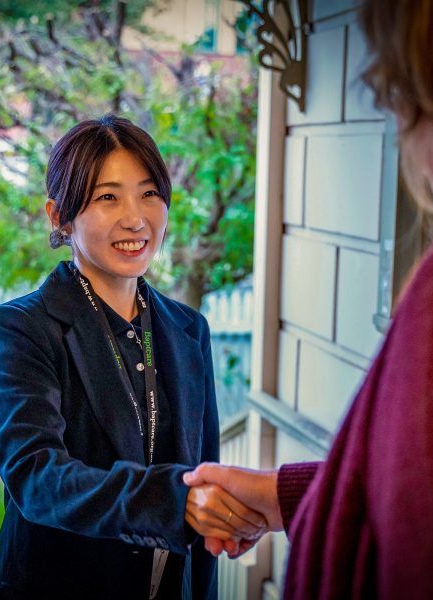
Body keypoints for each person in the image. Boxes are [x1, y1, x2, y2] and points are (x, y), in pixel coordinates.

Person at [184, 0, 433, 598]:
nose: (397, 118)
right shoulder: (20, 326)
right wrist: (274, 496)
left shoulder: (183, 325)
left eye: (400, 90)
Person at [0, 115, 266, 600]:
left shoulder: (187, 329)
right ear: (59, 216)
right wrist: (175, 502)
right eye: (107, 197)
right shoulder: (23, 328)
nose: (135, 218)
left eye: (150, 194)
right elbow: (37, 477)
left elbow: (202, 469)